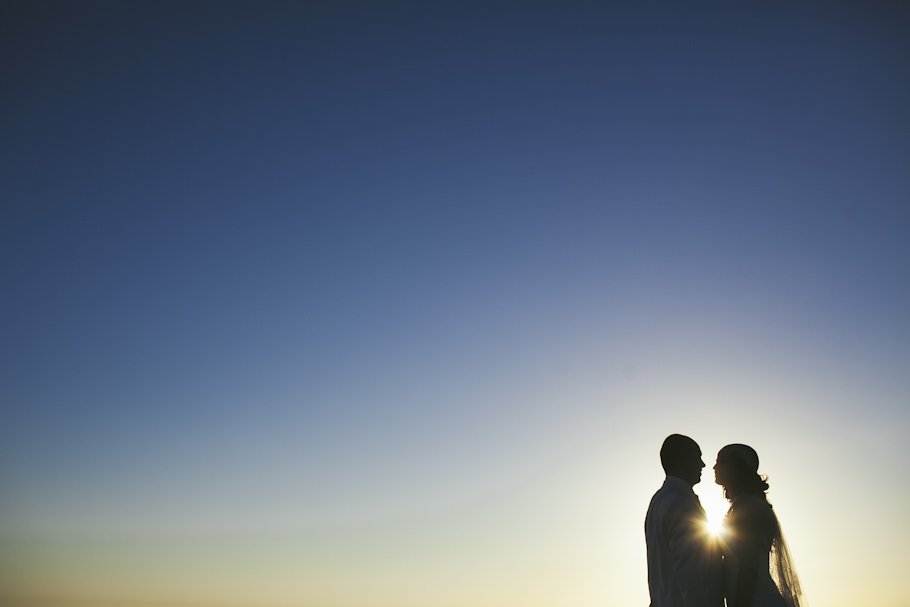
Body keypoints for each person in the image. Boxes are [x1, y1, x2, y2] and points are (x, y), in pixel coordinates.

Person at [713, 444, 803, 607]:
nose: (714, 467)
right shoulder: (744, 505)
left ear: (736, 467)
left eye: (721, 461)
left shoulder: (749, 508)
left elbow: (749, 567)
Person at [645, 434, 723, 607]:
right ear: (682, 460)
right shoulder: (681, 503)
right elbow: (690, 572)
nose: (703, 464)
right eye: (698, 458)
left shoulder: (658, 500)